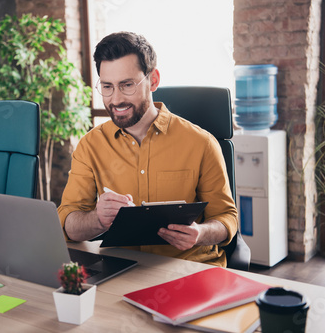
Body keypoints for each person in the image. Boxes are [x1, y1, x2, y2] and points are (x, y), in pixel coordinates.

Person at [57, 31, 237, 266]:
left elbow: (226, 219)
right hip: (121, 268)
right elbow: (68, 223)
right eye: (107, 86)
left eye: (127, 85)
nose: (116, 99)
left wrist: (200, 234)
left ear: (153, 80)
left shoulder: (201, 143)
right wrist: (98, 220)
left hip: (189, 267)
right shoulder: (90, 146)